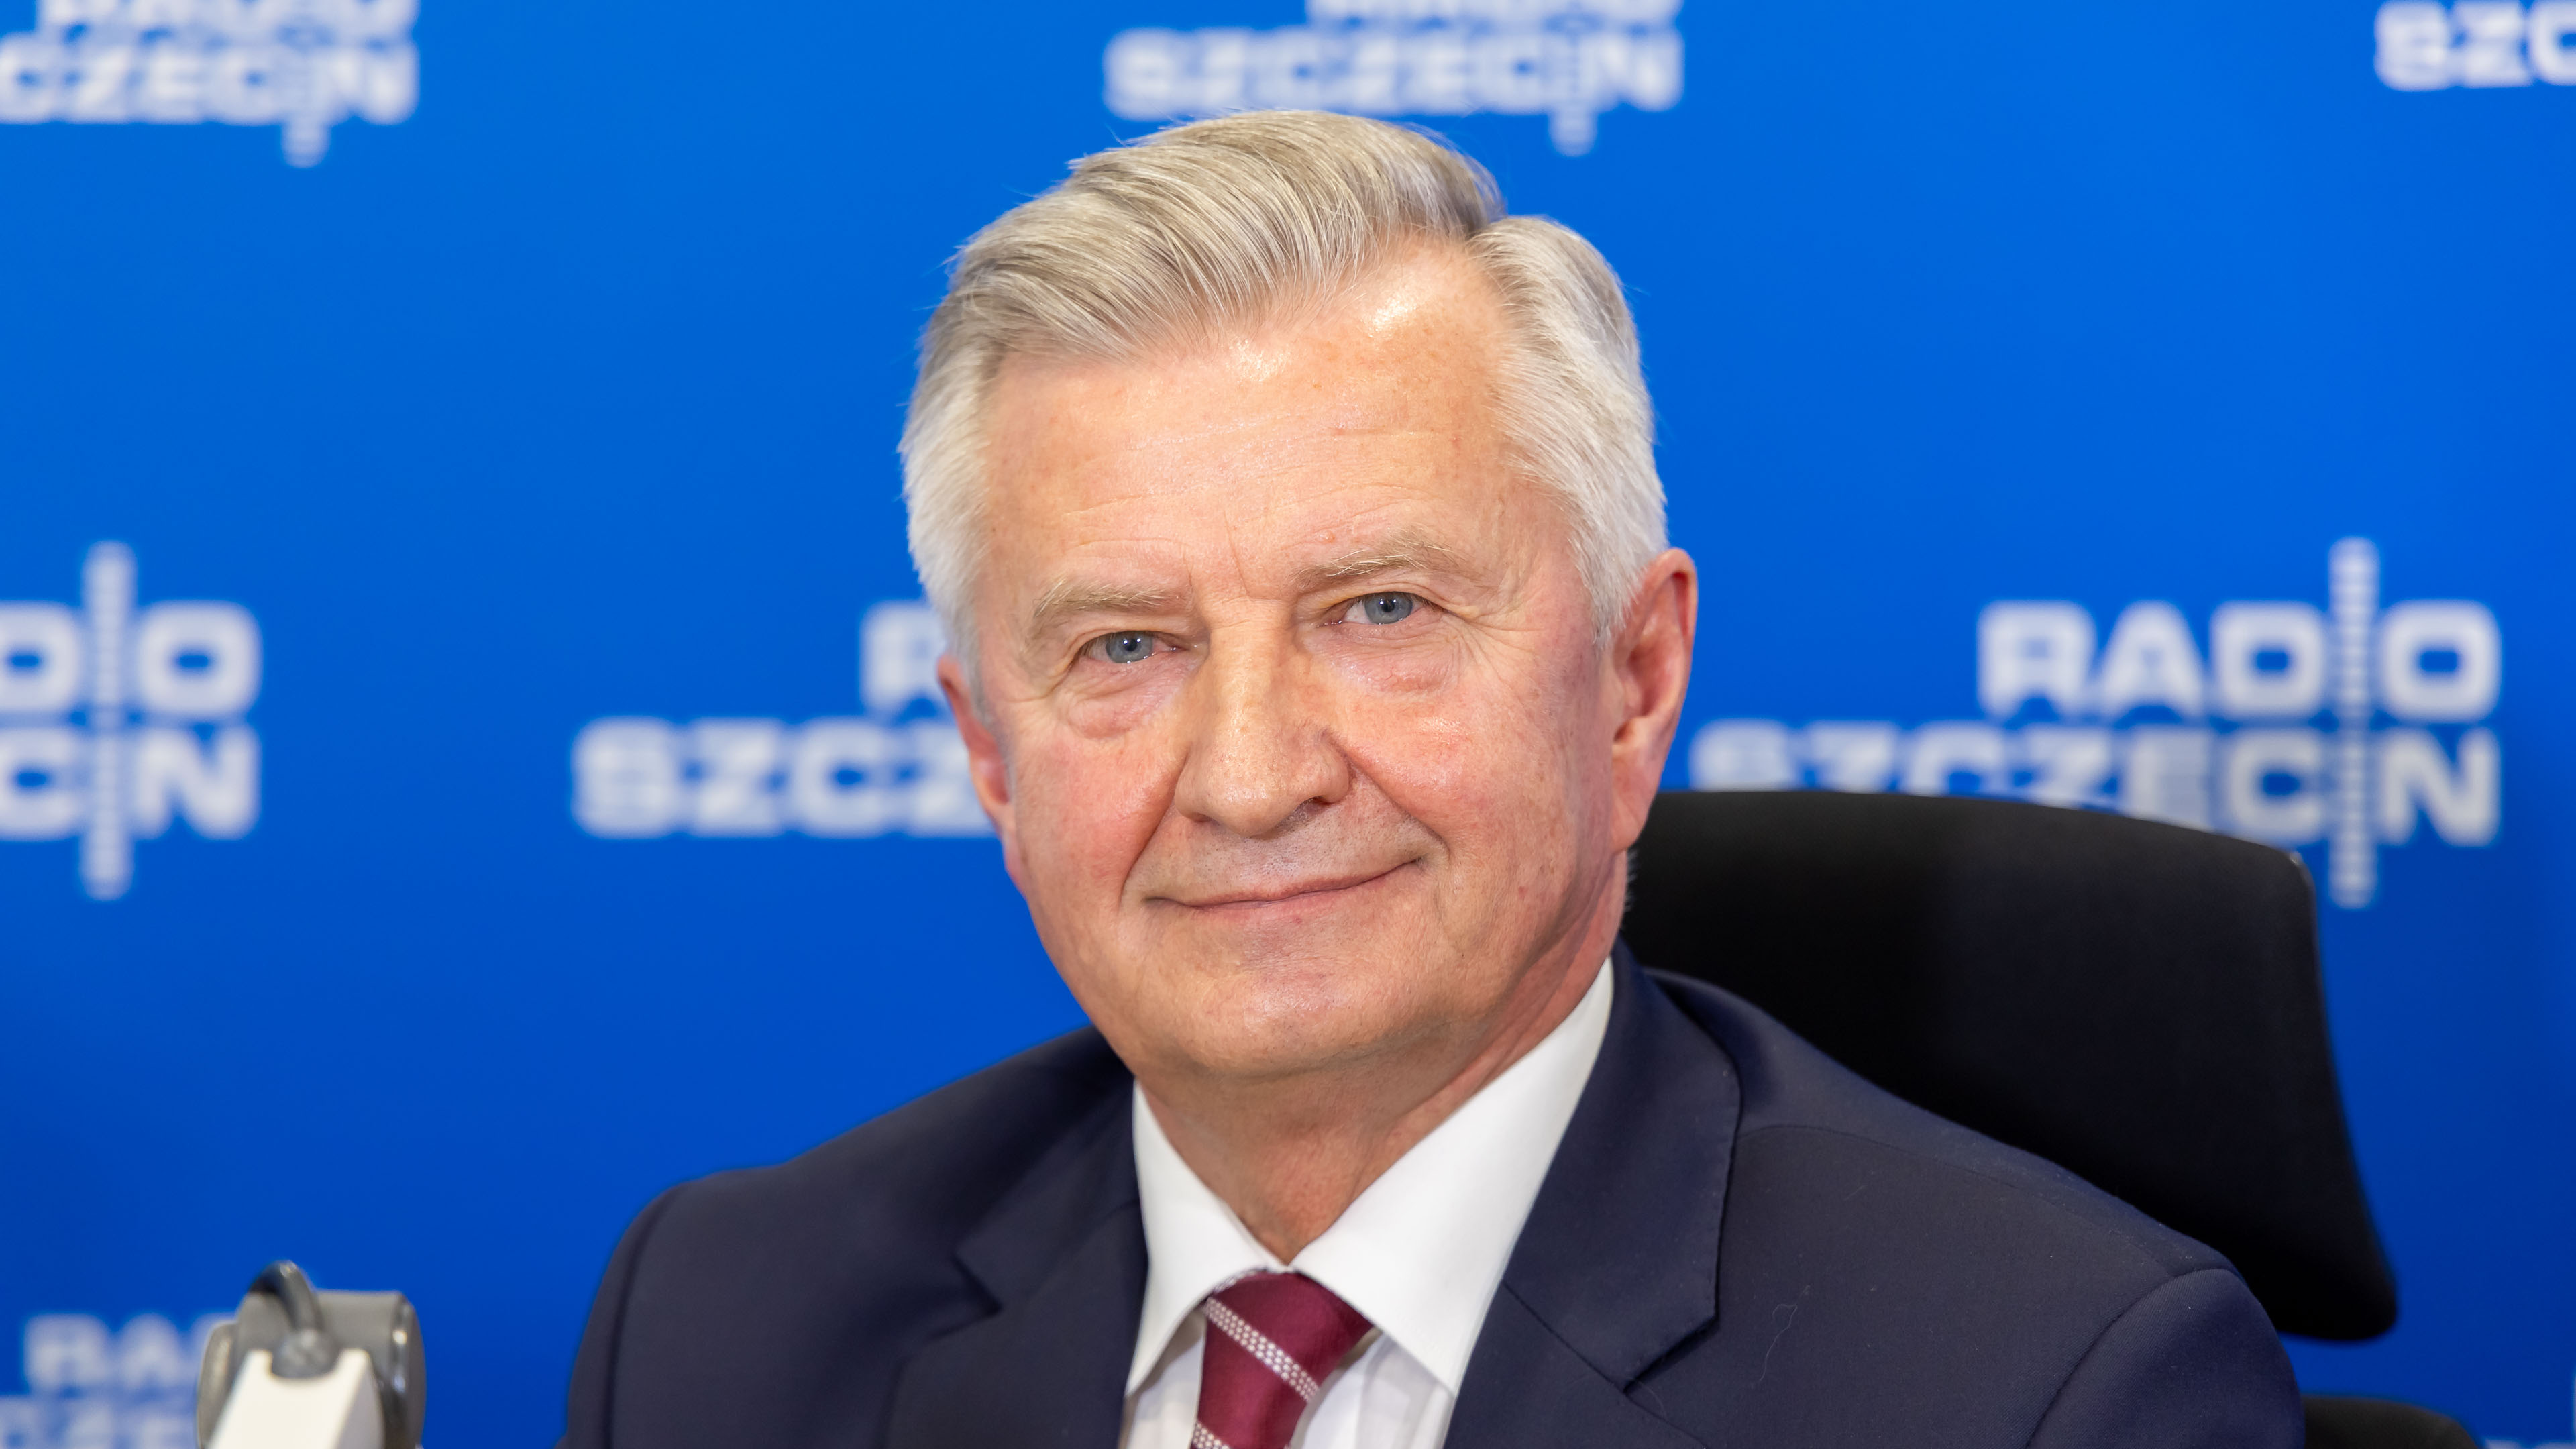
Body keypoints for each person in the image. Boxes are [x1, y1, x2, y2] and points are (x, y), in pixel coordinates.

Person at [561, 111, 2301, 1449]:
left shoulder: (2036, 1388)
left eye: (1380, 611)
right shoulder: (729, 1330)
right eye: (1126, 646)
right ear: (991, 761)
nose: (1251, 778)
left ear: (1632, 684)